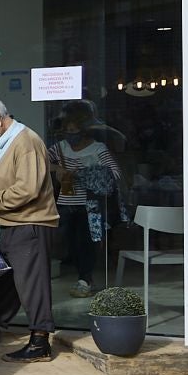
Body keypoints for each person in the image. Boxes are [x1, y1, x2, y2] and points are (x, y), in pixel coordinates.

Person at [0, 95, 59, 362]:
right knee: (6, 280)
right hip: (13, 221)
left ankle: (40, 341)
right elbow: (12, 181)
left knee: (31, 283)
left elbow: (28, 189)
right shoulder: (5, 143)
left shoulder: (26, 142)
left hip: (31, 222)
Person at [51, 100, 123, 298]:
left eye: (74, 130)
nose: (70, 134)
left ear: (84, 130)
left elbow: (115, 173)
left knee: (87, 242)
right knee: (70, 243)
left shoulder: (98, 149)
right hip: (66, 203)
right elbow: (41, 162)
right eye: (67, 130)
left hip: (90, 204)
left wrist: (85, 173)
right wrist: (58, 169)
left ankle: (85, 279)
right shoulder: (60, 148)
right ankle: (81, 277)